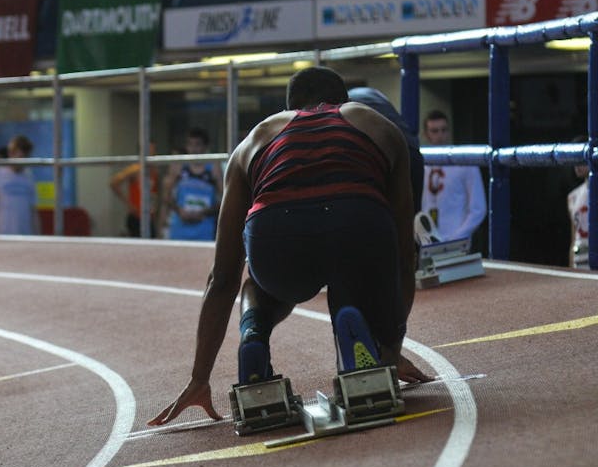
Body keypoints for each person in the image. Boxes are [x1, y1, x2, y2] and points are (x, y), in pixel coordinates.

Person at [149, 67, 431, 427]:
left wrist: (199, 377)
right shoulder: (372, 121)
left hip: (277, 242)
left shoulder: (254, 139)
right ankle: (358, 332)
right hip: (356, 225)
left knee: (256, 283)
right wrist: (392, 345)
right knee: (359, 271)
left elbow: (222, 277)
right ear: (342, 102)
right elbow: (403, 257)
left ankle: (254, 334)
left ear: (289, 108)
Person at [420, 109, 486, 246]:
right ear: (426, 134)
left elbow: (478, 209)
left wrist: (457, 237)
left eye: (444, 130)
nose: (440, 135)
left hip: (456, 242)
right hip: (428, 241)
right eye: (435, 131)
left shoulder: (464, 162)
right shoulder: (423, 163)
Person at [160, 127, 223, 241]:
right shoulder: (179, 166)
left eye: (198, 144)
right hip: (179, 229)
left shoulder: (214, 168)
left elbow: (225, 199)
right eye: (190, 144)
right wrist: (179, 211)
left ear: (205, 147)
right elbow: (166, 196)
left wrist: (204, 212)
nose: (194, 149)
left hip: (204, 230)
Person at [0, 134, 40, 235]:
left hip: (25, 237)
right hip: (1, 236)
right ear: (11, 154)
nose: (23, 162)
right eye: (20, 156)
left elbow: (33, 211)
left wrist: (38, 237)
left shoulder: (29, 176)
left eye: (26, 157)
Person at [110, 142, 159, 237]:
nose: (152, 153)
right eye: (149, 151)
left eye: (153, 151)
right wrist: (128, 204)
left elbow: (154, 193)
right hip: (137, 216)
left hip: (149, 217)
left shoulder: (154, 170)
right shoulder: (135, 169)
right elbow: (113, 183)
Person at [567, 148, 590, 269]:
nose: (577, 166)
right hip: (580, 258)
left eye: (581, 160)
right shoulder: (572, 196)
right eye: (574, 161)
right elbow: (574, 238)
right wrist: (571, 268)